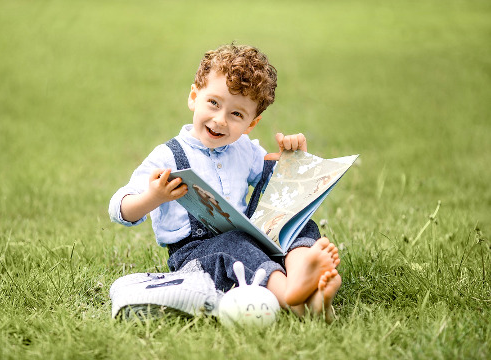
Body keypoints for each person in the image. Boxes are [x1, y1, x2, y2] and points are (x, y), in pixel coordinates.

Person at [109, 44, 341, 321]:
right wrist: (153, 197)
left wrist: (292, 159)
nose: (220, 120)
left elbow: (276, 188)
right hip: (196, 255)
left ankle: (305, 275)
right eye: (214, 103)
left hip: (250, 240)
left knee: (296, 220)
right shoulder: (168, 156)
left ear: (251, 124)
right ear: (194, 97)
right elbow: (119, 208)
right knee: (233, 245)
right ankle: (292, 293)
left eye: (236, 115)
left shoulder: (244, 149)